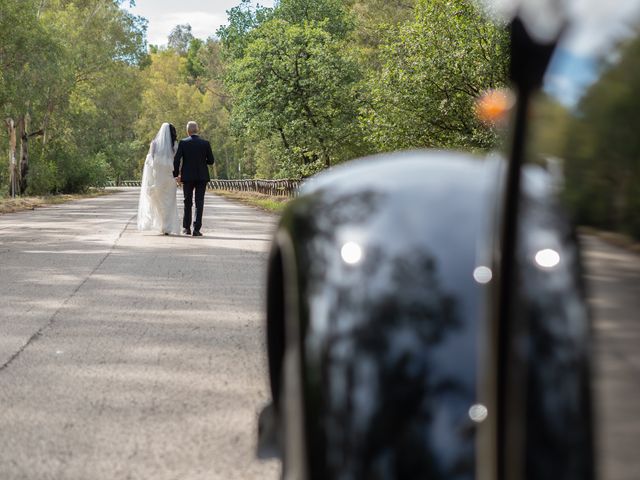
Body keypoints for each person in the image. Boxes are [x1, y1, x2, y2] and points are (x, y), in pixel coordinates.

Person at [137, 123, 180, 235]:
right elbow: (177, 161)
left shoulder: (154, 144)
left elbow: (149, 161)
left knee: (159, 203)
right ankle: (167, 226)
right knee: (169, 203)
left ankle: (162, 226)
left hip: (158, 178)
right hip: (169, 178)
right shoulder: (175, 144)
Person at [173, 121, 215, 236]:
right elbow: (211, 161)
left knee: (187, 201)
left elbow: (177, 160)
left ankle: (186, 228)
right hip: (202, 176)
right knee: (199, 201)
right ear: (197, 130)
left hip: (187, 176)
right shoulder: (205, 143)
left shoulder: (183, 143)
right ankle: (196, 229)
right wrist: (202, 162)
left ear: (188, 131)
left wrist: (175, 174)